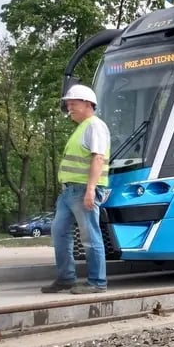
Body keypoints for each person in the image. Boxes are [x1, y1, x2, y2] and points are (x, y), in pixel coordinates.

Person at [41, 84, 111, 294]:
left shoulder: (94, 126)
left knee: (90, 236)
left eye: (73, 103)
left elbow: (97, 158)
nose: (69, 107)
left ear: (88, 104)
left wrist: (90, 190)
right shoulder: (82, 128)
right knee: (60, 233)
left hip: (83, 190)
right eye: (68, 103)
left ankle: (98, 282)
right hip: (69, 192)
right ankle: (66, 278)